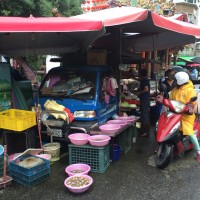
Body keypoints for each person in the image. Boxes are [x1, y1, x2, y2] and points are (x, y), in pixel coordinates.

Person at [157, 71, 200, 162]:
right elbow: (170, 99)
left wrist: (190, 107)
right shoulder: (175, 89)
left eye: (176, 80)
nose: (174, 81)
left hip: (186, 115)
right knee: (162, 126)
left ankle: (198, 152)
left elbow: (192, 103)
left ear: (181, 81)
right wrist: (163, 99)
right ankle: (162, 144)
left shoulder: (190, 90)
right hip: (175, 113)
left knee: (189, 132)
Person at [136, 68, 150, 137]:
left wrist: (139, 92)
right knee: (145, 115)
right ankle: (146, 131)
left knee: (144, 115)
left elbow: (146, 89)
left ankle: (145, 132)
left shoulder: (144, 80)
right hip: (145, 99)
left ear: (140, 74)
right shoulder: (144, 80)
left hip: (144, 99)